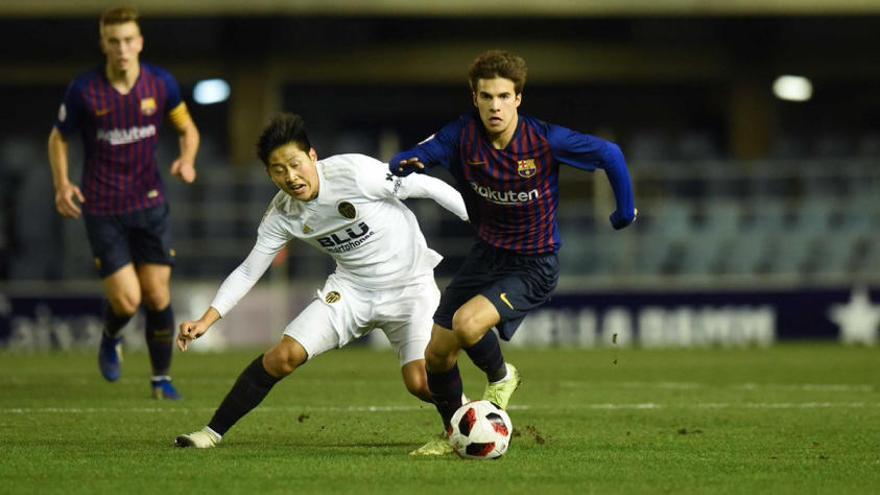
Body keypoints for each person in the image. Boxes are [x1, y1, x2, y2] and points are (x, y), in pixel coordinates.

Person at [389, 49, 637, 455]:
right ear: (475, 98)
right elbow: (423, 152)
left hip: (534, 264)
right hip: (486, 255)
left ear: (518, 98)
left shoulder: (544, 139)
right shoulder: (461, 135)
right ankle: (455, 433)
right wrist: (405, 161)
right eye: (486, 97)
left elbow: (610, 153)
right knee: (436, 356)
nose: (495, 106)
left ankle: (502, 376)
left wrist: (624, 210)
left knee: (468, 325)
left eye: (504, 97)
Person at [174, 113, 468, 448]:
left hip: (410, 288)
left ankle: (469, 425)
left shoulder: (355, 173)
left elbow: (427, 185)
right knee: (282, 357)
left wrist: (481, 224)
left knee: (420, 382)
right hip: (351, 291)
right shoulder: (281, 213)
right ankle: (210, 434)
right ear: (269, 174)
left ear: (313, 156)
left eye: (296, 164)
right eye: (278, 170)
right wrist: (207, 319)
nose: (291, 177)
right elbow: (248, 269)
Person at [47, 7, 200, 399]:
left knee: (158, 295)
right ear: (103, 44)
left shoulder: (160, 84)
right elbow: (58, 137)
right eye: (114, 41)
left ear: (140, 42)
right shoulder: (84, 90)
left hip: (150, 204)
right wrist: (62, 183)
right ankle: (110, 336)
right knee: (129, 300)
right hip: (102, 207)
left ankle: (160, 378)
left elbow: (188, 129)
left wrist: (187, 158)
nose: (122, 48)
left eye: (129, 40)